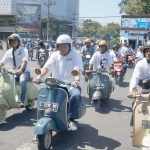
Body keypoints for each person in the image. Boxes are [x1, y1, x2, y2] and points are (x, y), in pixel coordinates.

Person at [35, 34, 84, 130]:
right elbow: (46, 67)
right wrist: (39, 76)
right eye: (60, 46)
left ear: (70, 46)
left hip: (71, 85)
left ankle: (71, 119)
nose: (63, 48)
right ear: (57, 47)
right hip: (56, 83)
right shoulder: (54, 55)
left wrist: (76, 80)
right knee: (44, 92)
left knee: (76, 95)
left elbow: (77, 68)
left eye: (65, 46)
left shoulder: (75, 54)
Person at [0, 34, 30, 108]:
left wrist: (21, 69)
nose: (13, 42)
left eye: (15, 40)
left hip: (24, 72)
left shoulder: (23, 50)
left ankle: (21, 100)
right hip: (13, 72)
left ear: (18, 41)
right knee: (3, 81)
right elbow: (2, 61)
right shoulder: (9, 52)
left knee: (22, 80)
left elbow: (24, 61)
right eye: (11, 40)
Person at [128, 41, 150, 125]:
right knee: (135, 105)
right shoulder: (140, 64)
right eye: (147, 51)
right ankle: (135, 130)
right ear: (144, 52)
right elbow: (135, 78)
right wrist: (132, 91)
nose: (149, 53)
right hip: (142, 92)